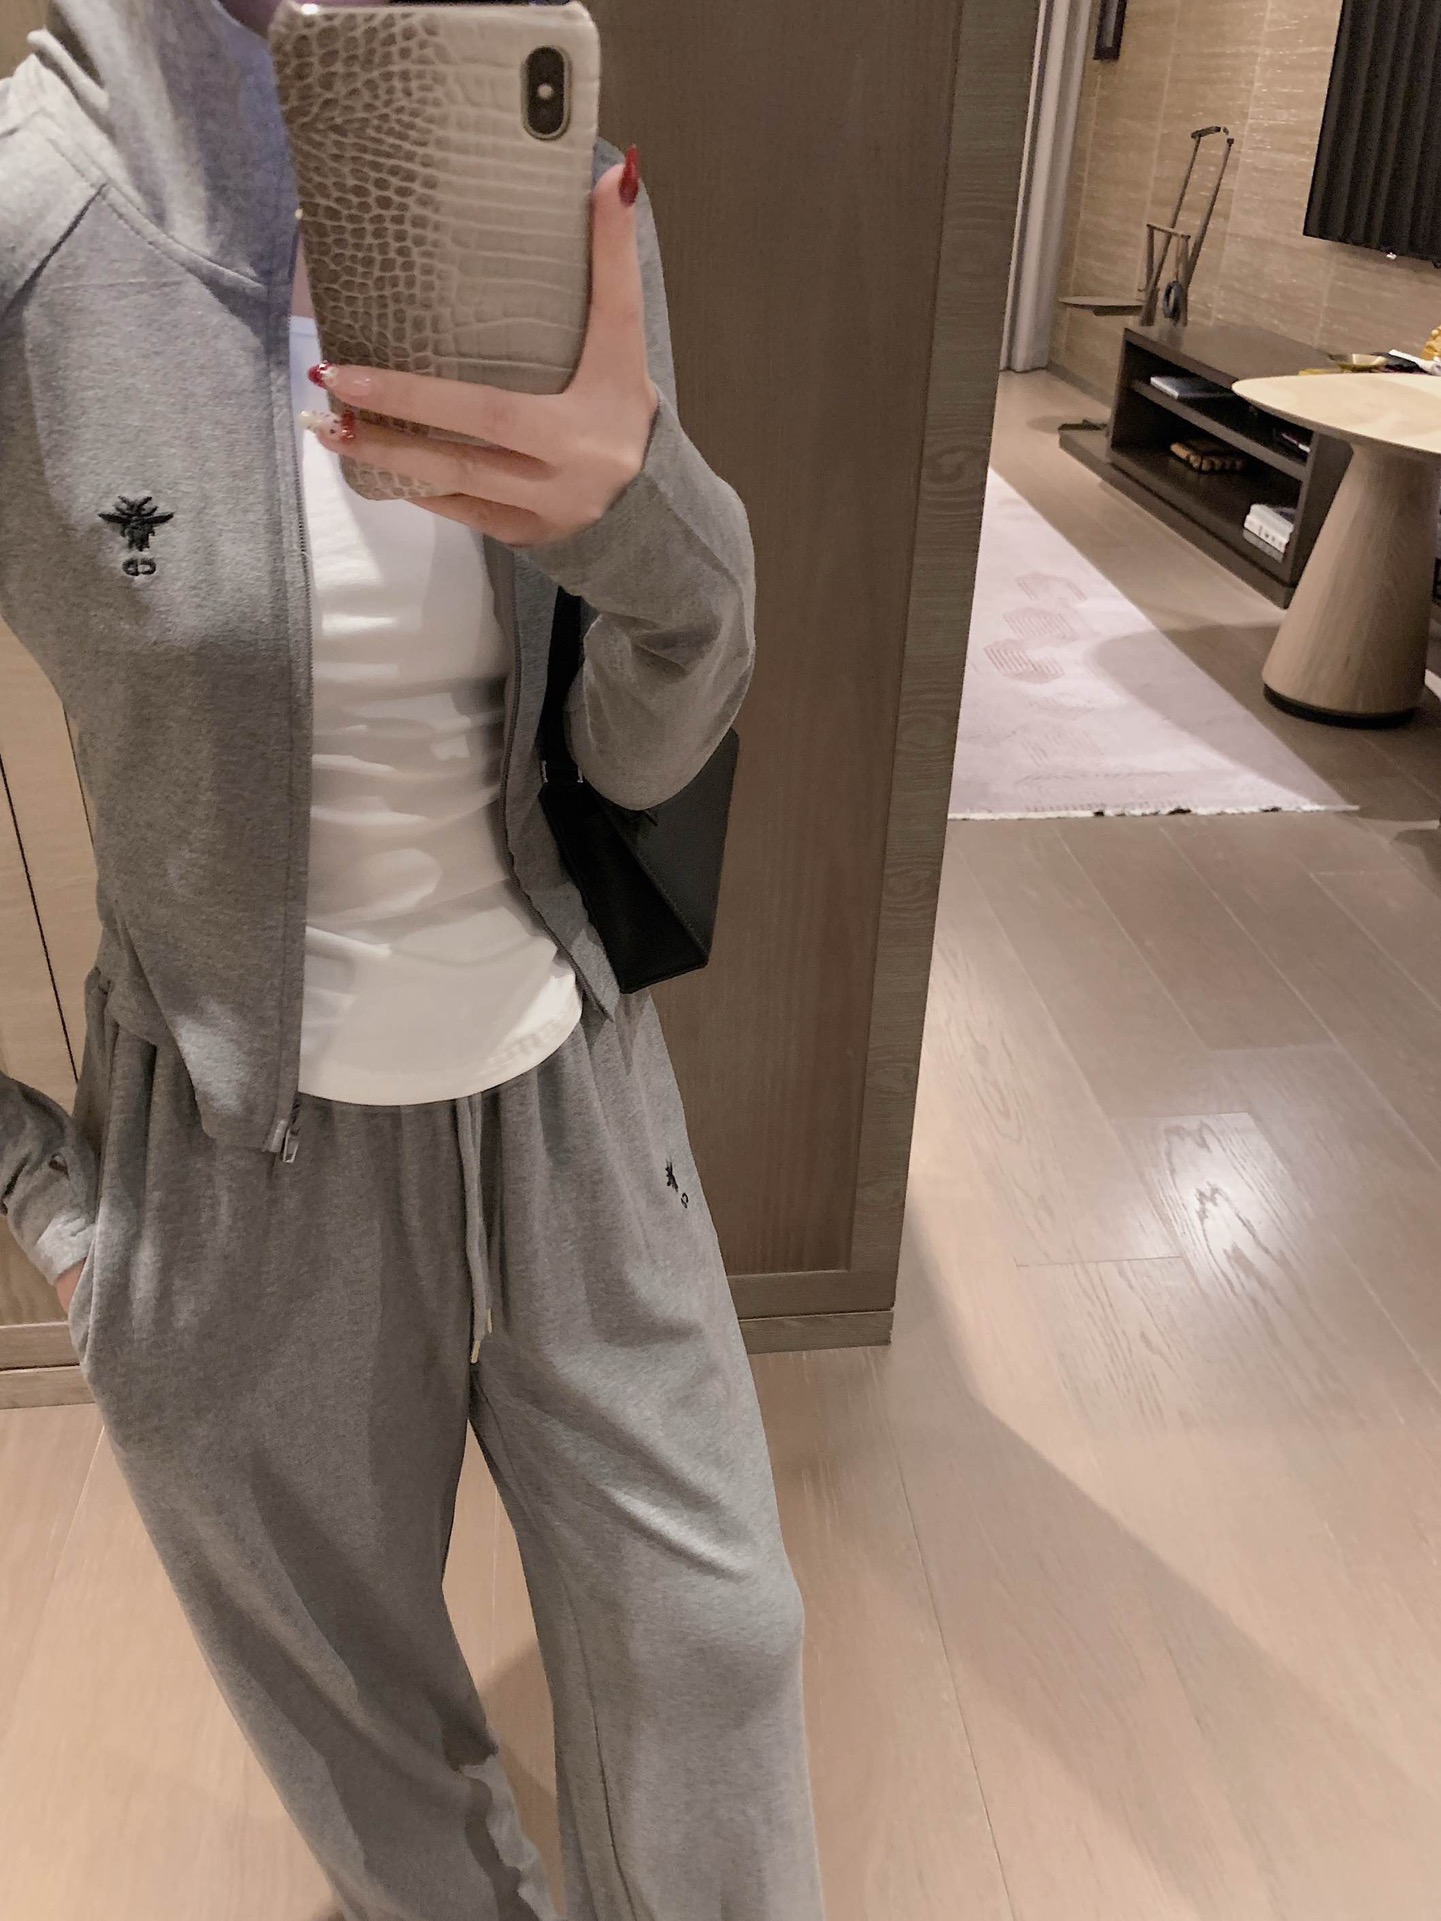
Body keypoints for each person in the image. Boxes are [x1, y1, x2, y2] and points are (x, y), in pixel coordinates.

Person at [0, 3, 826, 1916]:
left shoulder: (548, 189)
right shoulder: (34, 233)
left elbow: (639, 750)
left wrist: (648, 527)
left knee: (720, 1653)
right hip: (239, 1177)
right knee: (374, 1757)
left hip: (572, 1104)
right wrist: (52, 1202)